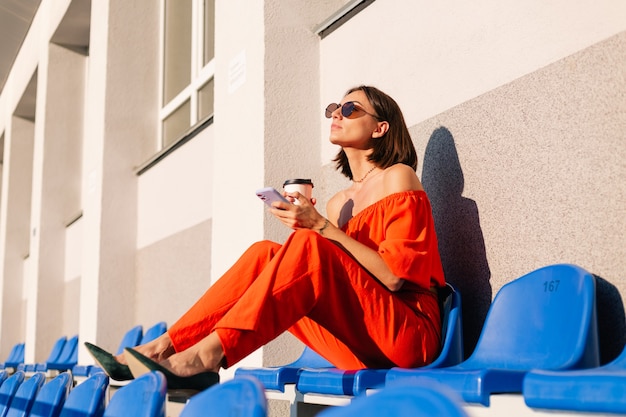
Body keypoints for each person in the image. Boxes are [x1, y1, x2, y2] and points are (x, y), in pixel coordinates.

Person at [86, 85, 446, 391]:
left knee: (308, 245)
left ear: (381, 128)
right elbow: (338, 278)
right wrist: (311, 225)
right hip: (359, 340)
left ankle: (206, 356)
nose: (337, 113)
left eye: (351, 109)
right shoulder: (340, 203)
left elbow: (394, 277)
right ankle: (163, 348)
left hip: (408, 334)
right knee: (264, 253)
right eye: (334, 108)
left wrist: (320, 228)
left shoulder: (398, 178)